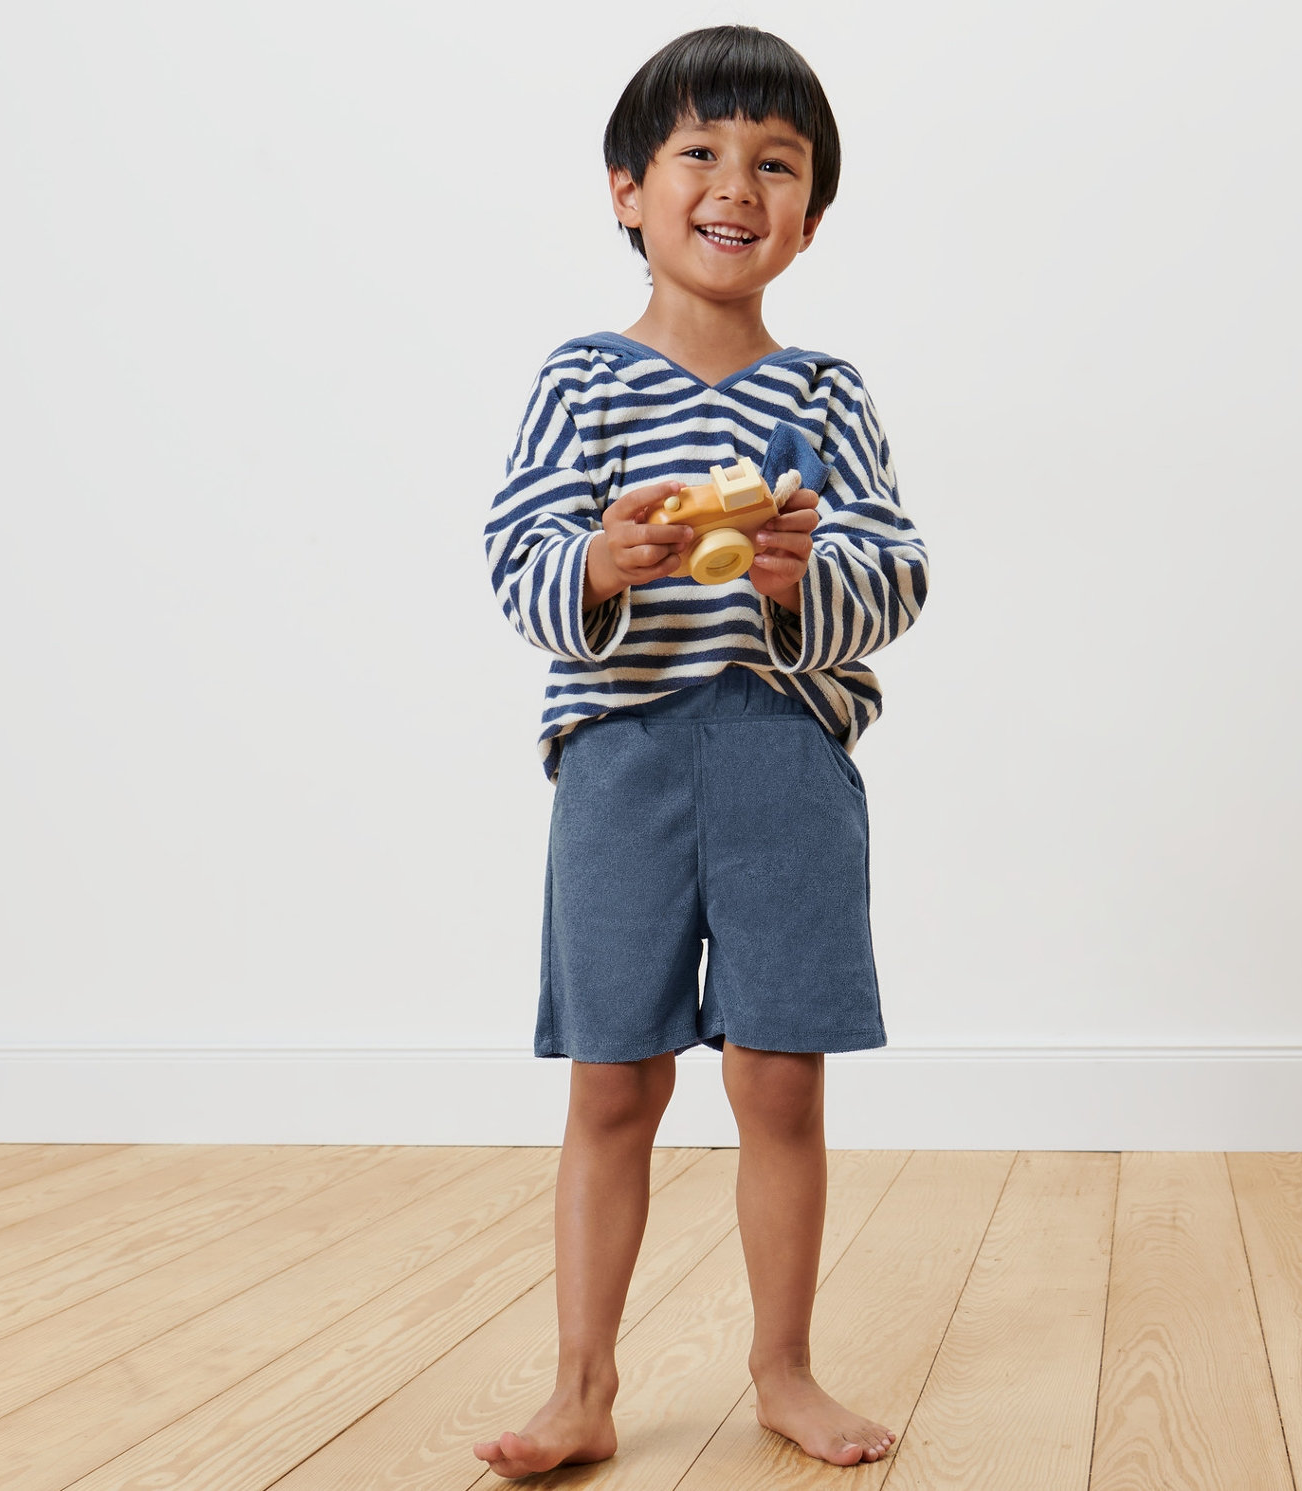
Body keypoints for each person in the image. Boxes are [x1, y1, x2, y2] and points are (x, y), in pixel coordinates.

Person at [476, 23, 929, 1479]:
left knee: (779, 1075)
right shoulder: (582, 381)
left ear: (807, 220)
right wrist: (604, 563)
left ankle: (782, 1369)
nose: (735, 183)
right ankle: (581, 1386)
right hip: (619, 758)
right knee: (611, 1074)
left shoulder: (827, 395)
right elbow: (519, 556)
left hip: (784, 756)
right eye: (699, 154)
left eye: (774, 164)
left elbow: (898, 570)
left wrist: (806, 579)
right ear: (627, 190)